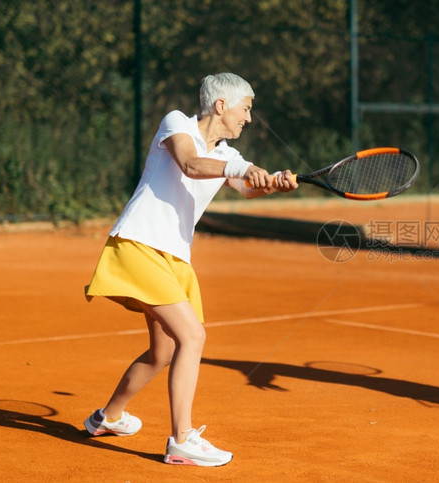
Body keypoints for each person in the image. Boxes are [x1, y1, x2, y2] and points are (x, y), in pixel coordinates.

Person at [82, 73, 298, 466]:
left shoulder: (229, 154)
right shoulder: (177, 122)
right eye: (245, 108)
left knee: (161, 351)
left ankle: (106, 418)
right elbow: (192, 165)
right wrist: (240, 172)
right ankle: (181, 439)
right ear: (221, 105)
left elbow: (248, 185)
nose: (248, 118)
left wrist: (272, 183)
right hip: (140, 244)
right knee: (193, 337)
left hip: (175, 257)